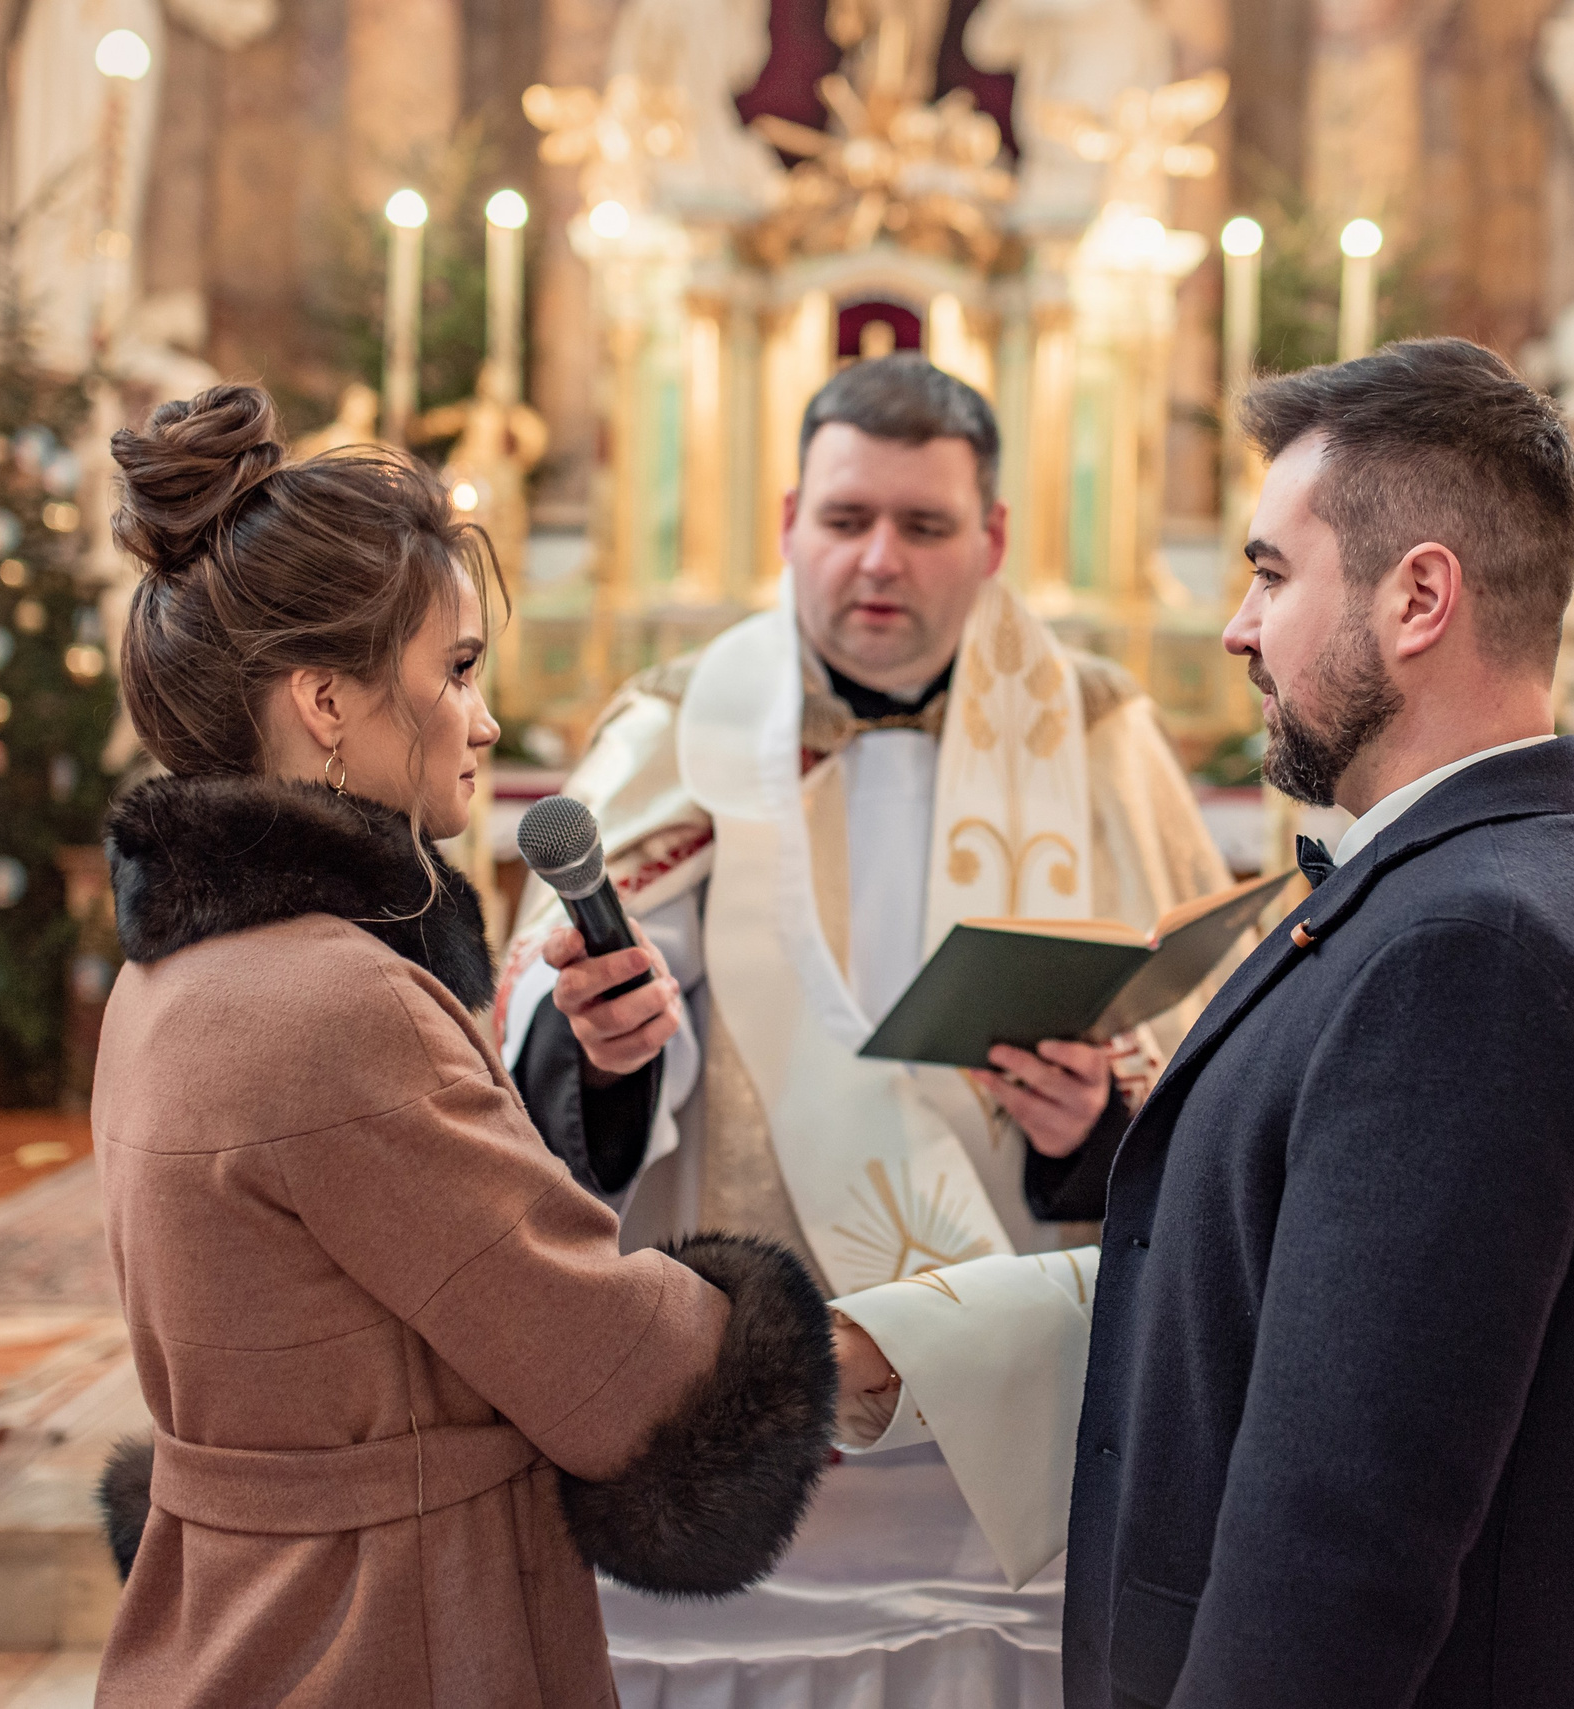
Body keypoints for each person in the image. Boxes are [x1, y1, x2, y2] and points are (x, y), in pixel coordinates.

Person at [831, 338, 1574, 1706]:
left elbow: (1346, 1536)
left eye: (1274, 573)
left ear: (1420, 597)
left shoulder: (1471, 949)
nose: (1237, 626)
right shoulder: (1473, 887)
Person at [85, 384, 840, 1708]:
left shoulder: (179, 974)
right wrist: (837, 1341)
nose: (485, 721)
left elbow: (387, 1282)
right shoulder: (334, 1004)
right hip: (380, 1634)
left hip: (245, 1610)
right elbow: (611, 1370)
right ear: (326, 700)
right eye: (459, 669)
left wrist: (589, 1082)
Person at [493, 355, 1236, 1690]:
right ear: (790, 518)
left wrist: (1097, 1125)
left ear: (994, 537)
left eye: (926, 524)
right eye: (846, 520)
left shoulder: (1103, 735)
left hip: (1016, 1411)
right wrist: (606, 1057)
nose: (878, 559)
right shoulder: (679, 729)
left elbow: (1203, 1054)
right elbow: (549, 1050)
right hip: (748, 1404)